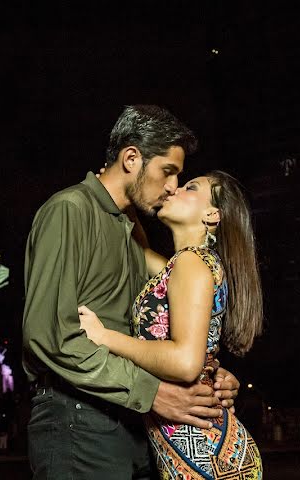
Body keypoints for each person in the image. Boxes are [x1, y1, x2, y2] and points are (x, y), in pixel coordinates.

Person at [23, 105, 241, 480]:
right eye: (168, 172)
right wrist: (153, 392)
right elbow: (52, 337)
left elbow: (160, 329)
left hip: (134, 424)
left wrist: (208, 372)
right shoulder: (70, 210)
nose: (172, 186)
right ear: (131, 158)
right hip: (79, 421)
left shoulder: (133, 238)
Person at [79, 171, 264, 478]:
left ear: (211, 214)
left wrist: (105, 336)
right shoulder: (185, 264)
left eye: (192, 187)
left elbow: (184, 363)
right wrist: (126, 191)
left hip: (206, 455)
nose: (176, 188)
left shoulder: (192, 263)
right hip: (201, 447)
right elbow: (137, 249)